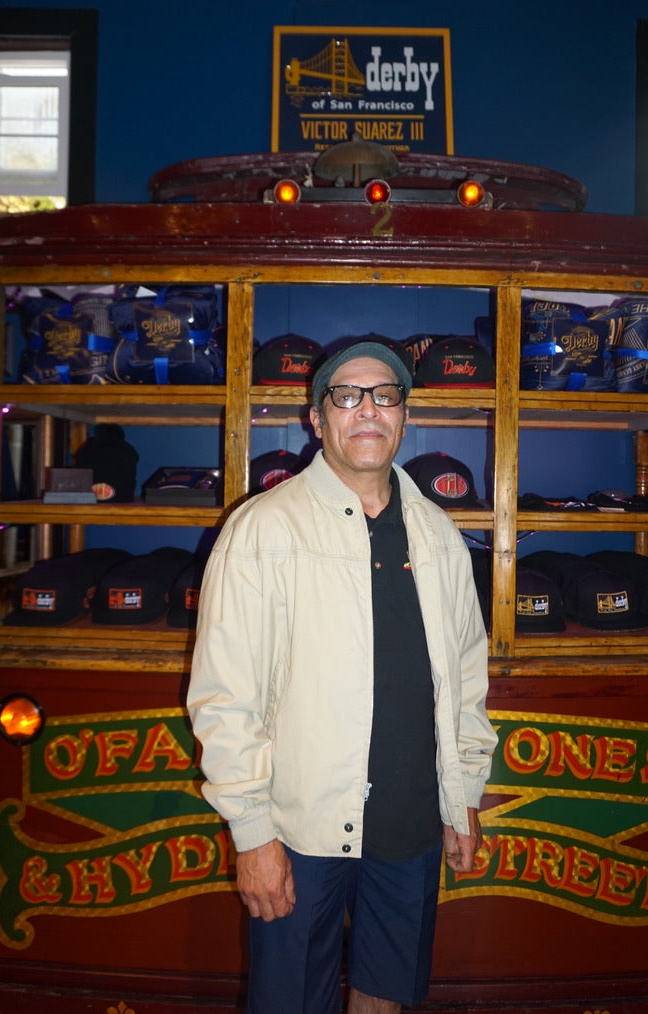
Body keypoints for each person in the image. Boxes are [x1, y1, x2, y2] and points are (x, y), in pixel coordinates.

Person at [187, 339, 496, 1014]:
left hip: (411, 823)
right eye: (347, 395)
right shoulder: (262, 530)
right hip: (300, 830)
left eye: (385, 396)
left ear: (404, 417)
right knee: (290, 1001)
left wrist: (461, 793)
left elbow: (466, 678)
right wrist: (253, 833)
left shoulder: (439, 535)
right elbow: (225, 697)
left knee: (385, 997)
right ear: (316, 418)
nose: (367, 411)